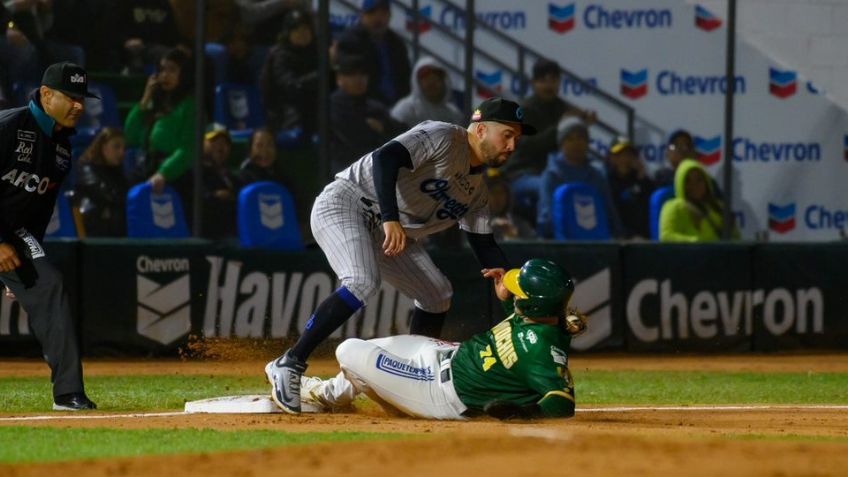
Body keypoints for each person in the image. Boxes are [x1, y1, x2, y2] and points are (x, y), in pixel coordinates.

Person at [265, 97, 537, 414]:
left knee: (437, 295)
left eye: (517, 138)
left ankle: (406, 380)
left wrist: (505, 278)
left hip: (388, 231)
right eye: (507, 134)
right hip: (348, 203)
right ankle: (290, 362)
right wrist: (391, 217)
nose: (513, 145)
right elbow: (386, 158)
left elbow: (483, 242)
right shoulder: (443, 136)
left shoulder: (477, 192)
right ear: (479, 129)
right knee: (362, 281)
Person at [297, 259, 585, 420]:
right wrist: (508, 301)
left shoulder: (541, 349)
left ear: (534, 304)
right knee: (376, 349)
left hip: (440, 393)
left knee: (349, 351)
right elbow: (521, 329)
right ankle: (331, 394)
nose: (513, 289)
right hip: (447, 357)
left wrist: (525, 414)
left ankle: (384, 402)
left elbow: (562, 402)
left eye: (517, 290)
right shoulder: (540, 318)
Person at [0, 62, 98, 410]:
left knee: (48, 282)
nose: (79, 105)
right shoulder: (8, 126)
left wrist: (27, 263)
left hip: (15, 233)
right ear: (46, 94)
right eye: (71, 97)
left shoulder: (61, 148)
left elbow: (37, 210)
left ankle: (68, 393)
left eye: (82, 99)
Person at [502, 58, 595, 225]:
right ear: (534, 83)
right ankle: (547, 230)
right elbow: (529, 145)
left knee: (595, 177)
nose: (549, 85)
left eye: (553, 80)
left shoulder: (563, 108)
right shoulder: (524, 110)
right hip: (522, 174)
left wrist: (581, 124)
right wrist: (560, 127)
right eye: (543, 80)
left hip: (554, 173)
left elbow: (569, 145)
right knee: (549, 185)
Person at [124, 47, 196, 213]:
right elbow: (129, 136)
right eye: (162, 70)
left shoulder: (190, 106)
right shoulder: (153, 104)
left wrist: (163, 174)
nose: (165, 75)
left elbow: (187, 149)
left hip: (174, 176)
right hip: (147, 168)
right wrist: (145, 98)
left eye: (172, 70)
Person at [537, 117, 623, 239]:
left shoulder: (597, 175)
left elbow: (609, 212)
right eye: (570, 139)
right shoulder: (551, 175)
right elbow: (546, 215)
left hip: (597, 243)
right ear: (561, 144)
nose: (577, 143)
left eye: (581, 138)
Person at [328, 55, 406, 174]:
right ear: (339, 78)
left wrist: (383, 128)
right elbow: (355, 139)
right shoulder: (333, 105)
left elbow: (402, 131)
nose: (359, 79)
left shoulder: (374, 106)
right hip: (347, 170)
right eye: (352, 75)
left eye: (362, 75)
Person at [333, 0, 411, 106]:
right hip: (363, 107)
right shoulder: (350, 42)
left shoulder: (396, 43)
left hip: (397, 106)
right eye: (371, 13)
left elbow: (405, 79)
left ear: (389, 16)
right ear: (362, 16)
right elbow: (353, 81)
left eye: (383, 14)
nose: (377, 19)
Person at [260, 7, 319, 135]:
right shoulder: (280, 54)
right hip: (286, 113)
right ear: (288, 32)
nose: (302, 33)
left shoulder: (316, 51)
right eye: (297, 30)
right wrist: (320, 75)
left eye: (306, 29)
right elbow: (291, 85)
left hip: (315, 109)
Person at [659, 159, 738, 242]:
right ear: (681, 184)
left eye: (699, 180)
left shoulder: (719, 206)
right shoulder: (674, 207)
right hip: (691, 253)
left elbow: (736, 238)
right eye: (688, 181)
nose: (694, 185)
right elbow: (666, 236)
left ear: (706, 182)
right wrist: (695, 242)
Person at [74, 127, 130, 237]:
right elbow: (107, 195)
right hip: (95, 229)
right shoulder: (87, 169)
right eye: (116, 146)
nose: (122, 152)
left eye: (124, 148)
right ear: (103, 147)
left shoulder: (118, 171)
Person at [390, 57, 463, 127]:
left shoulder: (454, 114)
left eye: (436, 81)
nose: (432, 84)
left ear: (445, 82)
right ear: (417, 83)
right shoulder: (405, 110)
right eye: (428, 84)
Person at [605, 137, 655, 239]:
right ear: (611, 158)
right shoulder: (606, 182)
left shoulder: (643, 180)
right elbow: (611, 215)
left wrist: (642, 177)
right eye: (619, 155)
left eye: (628, 155)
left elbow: (651, 207)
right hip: (619, 239)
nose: (624, 159)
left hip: (645, 239)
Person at [200, 127, 240, 239]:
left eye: (225, 143)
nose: (220, 147)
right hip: (208, 237)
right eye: (214, 142)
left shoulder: (235, 177)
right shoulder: (196, 173)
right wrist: (215, 196)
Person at [485, 169, 535, 241]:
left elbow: (534, 250)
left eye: (502, 192)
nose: (497, 197)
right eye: (493, 192)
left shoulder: (520, 225)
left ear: (508, 195)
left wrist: (514, 240)